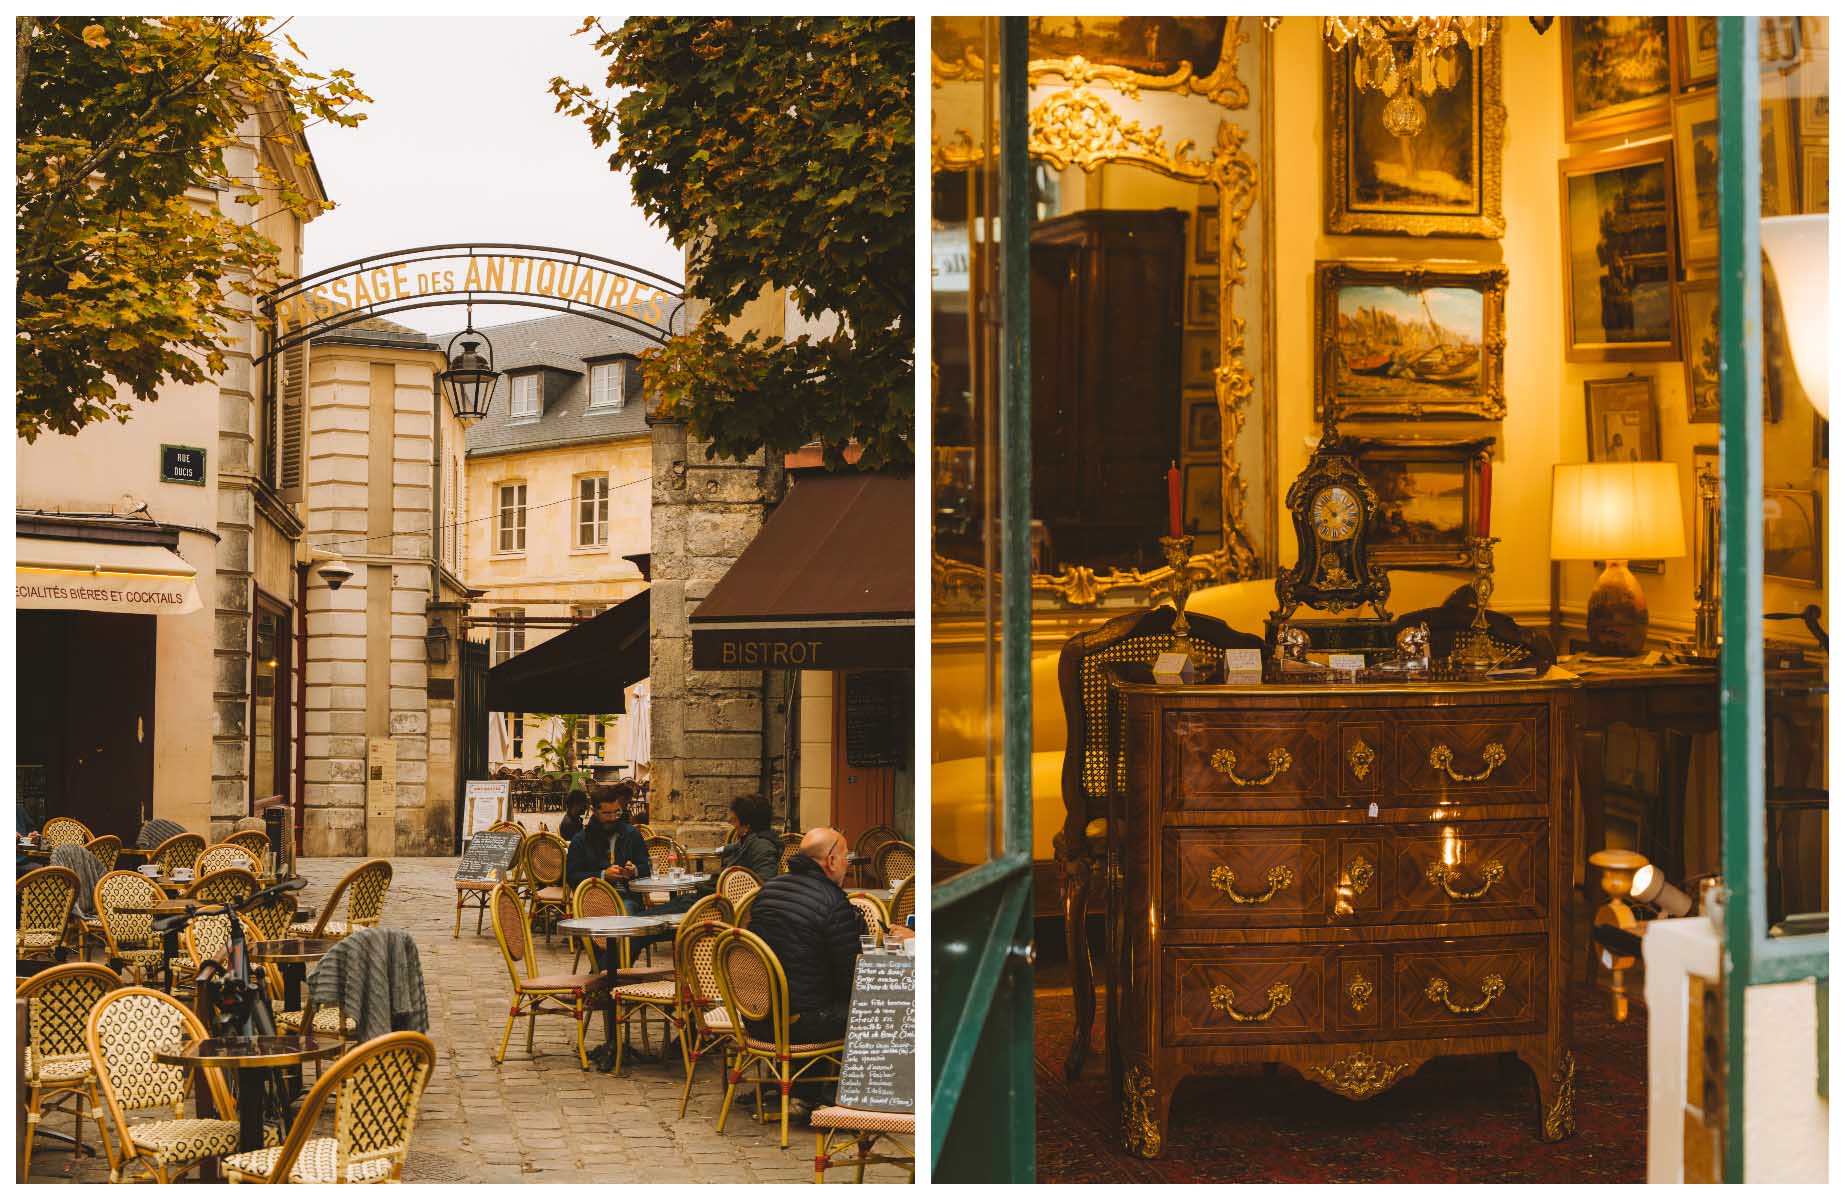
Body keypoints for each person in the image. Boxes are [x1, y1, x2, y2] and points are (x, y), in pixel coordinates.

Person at [743, 826, 863, 1118]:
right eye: (846, 856)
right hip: (802, 1026)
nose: (849, 864)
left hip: (757, 1018)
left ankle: (800, 1085)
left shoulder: (767, 891)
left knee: (816, 992)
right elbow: (851, 977)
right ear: (831, 860)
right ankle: (852, 1096)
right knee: (873, 1008)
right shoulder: (833, 904)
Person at [565, 783, 650, 893]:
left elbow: (648, 867)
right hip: (594, 898)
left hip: (627, 896)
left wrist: (634, 870)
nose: (613, 818)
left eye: (616, 812)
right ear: (594, 811)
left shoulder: (631, 834)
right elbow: (572, 877)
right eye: (607, 814)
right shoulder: (581, 840)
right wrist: (603, 875)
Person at [717, 792, 780, 880]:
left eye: (734, 820)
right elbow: (738, 846)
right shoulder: (749, 839)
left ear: (747, 825)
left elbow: (765, 883)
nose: (733, 825)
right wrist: (722, 849)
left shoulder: (763, 847)